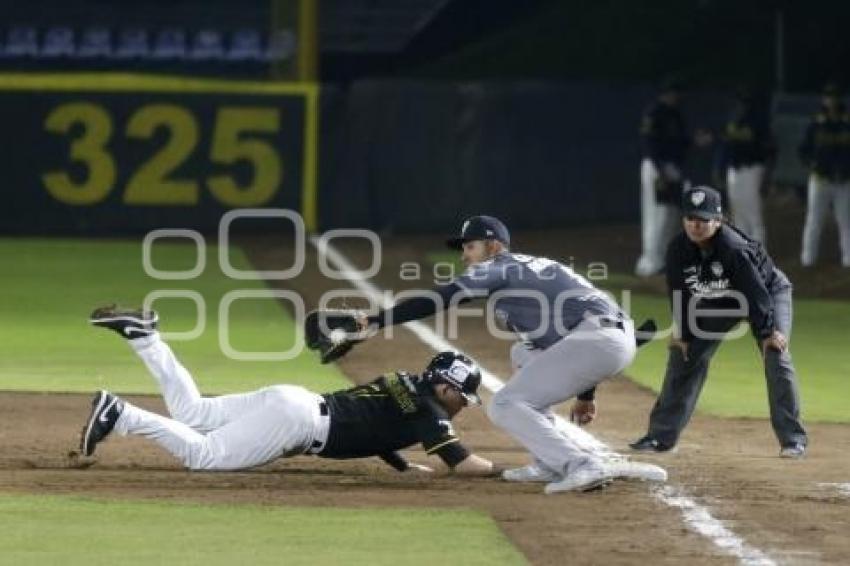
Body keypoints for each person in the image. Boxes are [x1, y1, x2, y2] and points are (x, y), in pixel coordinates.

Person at [352, 216, 667, 493]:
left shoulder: (499, 267)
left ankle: (580, 463)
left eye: (469, 247)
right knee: (523, 352)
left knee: (504, 404)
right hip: (605, 338)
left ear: (492, 246)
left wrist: (378, 321)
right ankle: (549, 463)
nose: (464, 256)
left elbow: (441, 298)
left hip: (598, 339)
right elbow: (565, 335)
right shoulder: (532, 268)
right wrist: (586, 394)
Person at [80, 306, 497, 476]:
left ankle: (146, 339)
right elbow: (462, 463)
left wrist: (403, 467)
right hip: (296, 421)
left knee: (194, 412)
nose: (463, 406)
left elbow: (379, 427)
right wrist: (509, 473)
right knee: (204, 456)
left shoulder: (406, 381)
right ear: (446, 387)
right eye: (463, 396)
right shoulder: (431, 411)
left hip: (293, 400)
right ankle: (121, 414)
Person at [630, 186, 808, 458]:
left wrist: (767, 332)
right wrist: (685, 333)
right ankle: (660, 437)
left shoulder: (733, 249)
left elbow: (756, 292)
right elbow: (680, 293)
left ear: (718, 220)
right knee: (683, 353)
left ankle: (793, 440)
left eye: (703, 219)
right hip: (720, 302)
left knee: (776, 353)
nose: (696, 225)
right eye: (690, 218)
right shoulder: (678, 249)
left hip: (767, 295)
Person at [798, 82, 850, 267]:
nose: (831, 100)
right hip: (820, 179)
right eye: (828, 96)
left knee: (845, 221)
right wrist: (812, 164)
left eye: (834, 96)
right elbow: (803, 149)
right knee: (814, 220)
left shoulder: (847, 122)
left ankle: (848, 259)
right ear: (824, 99)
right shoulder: (817, 122)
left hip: (844, 181)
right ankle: (808, 260)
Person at [720, 88, 775, 243]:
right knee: (738, 215)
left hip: (752, 169)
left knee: (754, 214)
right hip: (733, 170)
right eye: (739, 102)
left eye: (745, 102)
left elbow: (770, 150)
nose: (741, 105)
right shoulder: (732, 120)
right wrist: (720, 168)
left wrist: (767, 176)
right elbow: (725, 146)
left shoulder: (759, 122)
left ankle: (758, 259)